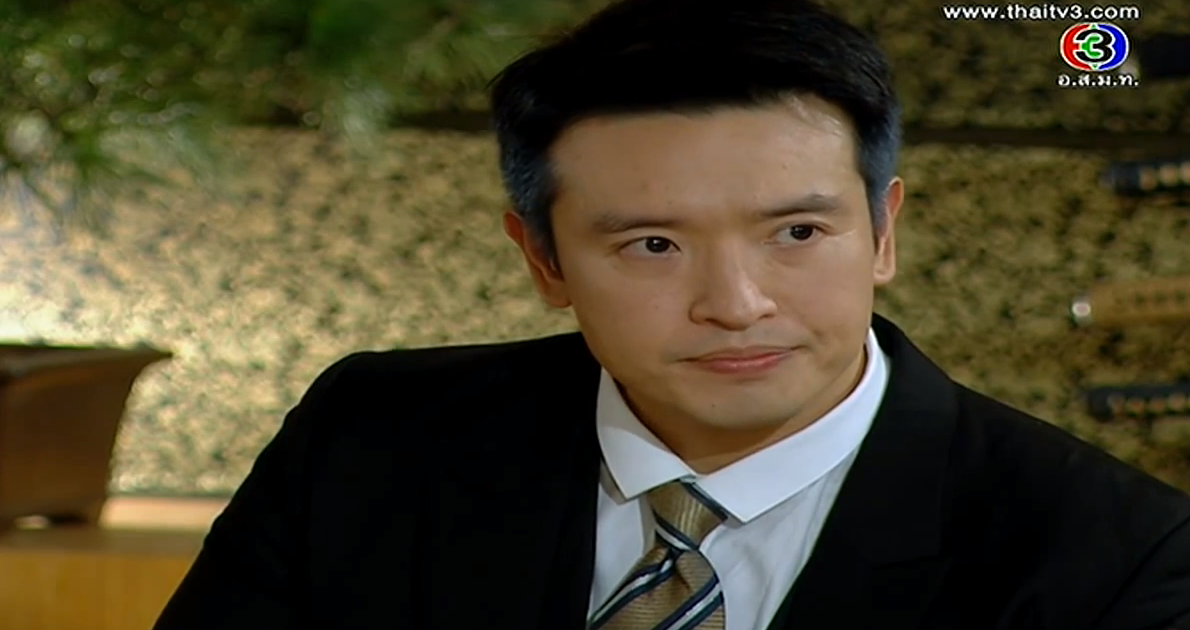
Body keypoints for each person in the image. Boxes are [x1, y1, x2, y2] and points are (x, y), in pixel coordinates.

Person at [152, 0, 1190, 628]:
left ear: (882, 233)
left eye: (797, 233)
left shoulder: (1110, 555)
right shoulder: (371, 438)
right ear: (543, 258)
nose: (735, 306)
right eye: (652, 245)